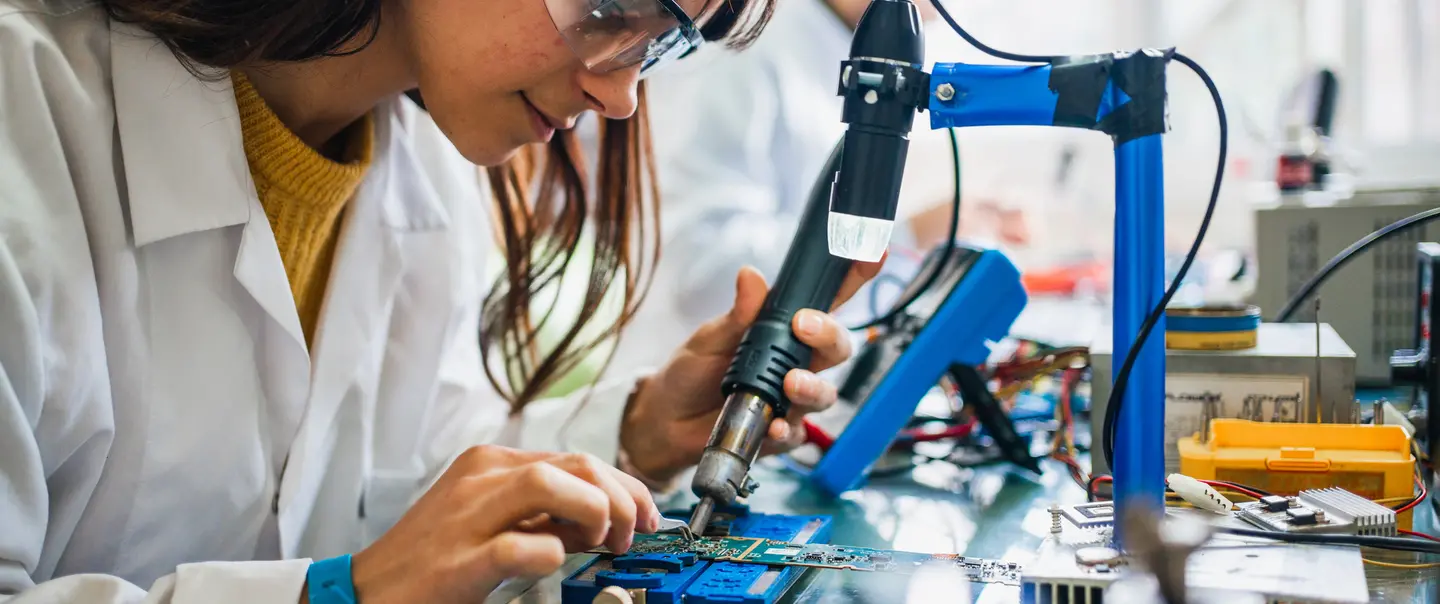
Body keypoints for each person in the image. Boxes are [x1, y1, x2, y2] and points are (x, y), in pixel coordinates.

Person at [0, 0, 881, 602]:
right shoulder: (23, 121)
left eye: (661, 44)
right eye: (609, 8)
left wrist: (641, 435)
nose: (620, 96)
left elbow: (421, 490)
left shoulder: (424, 175)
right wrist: (345, 593)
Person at [608, 0, 1032, 371]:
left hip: (789, 392)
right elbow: (706, 275)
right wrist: (906, 235)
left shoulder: (835, 52)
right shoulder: (747, 50)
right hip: (680, 395)